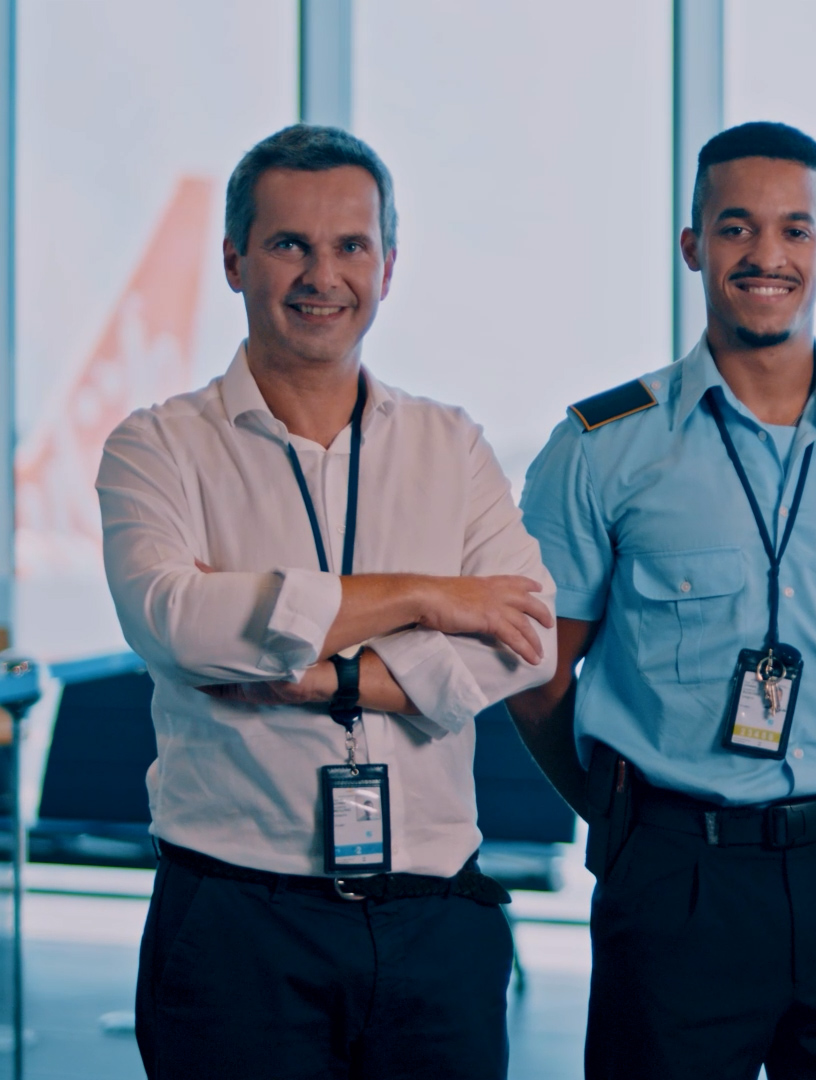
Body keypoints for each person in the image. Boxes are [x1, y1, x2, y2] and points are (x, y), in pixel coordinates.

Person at [98, 124, 558, 1078]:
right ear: (235, 260)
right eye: (288, 245)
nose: (323, 275)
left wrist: (333, 680)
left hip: (434, 922)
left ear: (388, 267)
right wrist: (427, 596)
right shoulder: (157, 448)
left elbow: (524, 637)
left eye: (351, 246)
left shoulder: (451, 445)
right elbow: (180, 624)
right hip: (235, 928)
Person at [511, 121, 816, 1080]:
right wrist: (618, 815)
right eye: (735, 228)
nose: (767, 255)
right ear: (692, 247)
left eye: (796, 231)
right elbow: (537, 670)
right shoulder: (602, 447)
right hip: (679, 875)